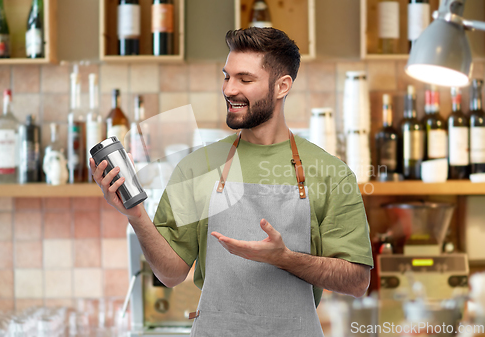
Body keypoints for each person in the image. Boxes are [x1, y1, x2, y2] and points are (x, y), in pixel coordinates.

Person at [90, 27, 373, 336]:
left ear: (282, 86)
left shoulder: (330, 173)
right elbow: (171, 274)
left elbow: (357, 282)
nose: (229, 89)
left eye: (245, 79)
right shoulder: (198, 167)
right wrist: (136, 216)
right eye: (227, 77)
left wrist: (285, 259)